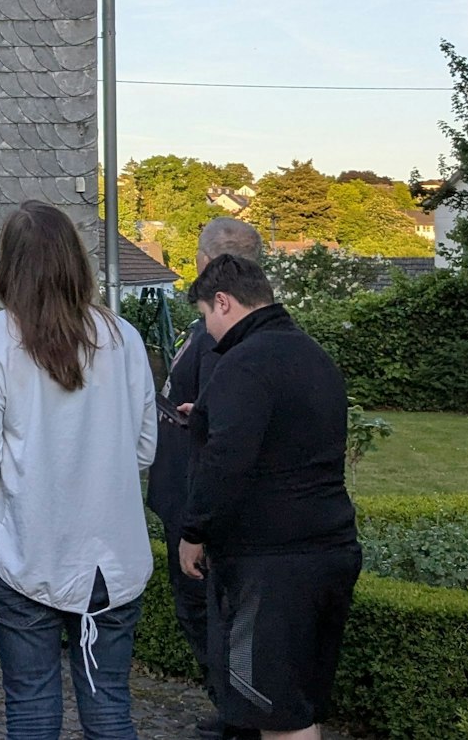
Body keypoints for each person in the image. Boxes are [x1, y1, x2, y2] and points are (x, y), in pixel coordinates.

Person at [0, 201, 158, 740]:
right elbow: (144, 450)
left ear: (9, 267)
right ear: (76, 261)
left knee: (30, 708)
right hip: (111, 558)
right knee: (110, 706)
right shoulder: (124, 339)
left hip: (27, 549)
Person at [178, 255, 360, 740]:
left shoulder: (245, 360)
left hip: (271, 563)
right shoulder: (311, 354)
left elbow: (227, 462)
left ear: (223, 301)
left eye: (205, 317)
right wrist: (211, 414)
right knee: (299, 706)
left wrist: (193, 531)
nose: (209, 332)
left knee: (272, 713)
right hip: (330, 546)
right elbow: (287, 432)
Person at [144, 218, 265, 740]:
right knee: (206, 612)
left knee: (209, 613)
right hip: (186, 495)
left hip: (201, 504)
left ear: (208, 263)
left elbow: (226, 436)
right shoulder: (212, 326)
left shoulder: (230, 336)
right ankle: (231, 708)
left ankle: (236, 715)